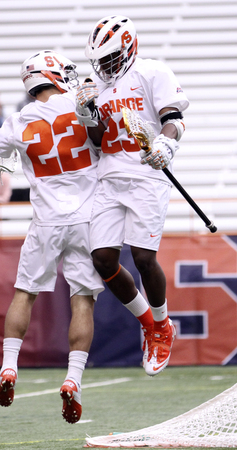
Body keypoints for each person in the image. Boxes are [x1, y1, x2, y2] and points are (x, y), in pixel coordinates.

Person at [0, 50, 105, 424]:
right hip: (87, 219)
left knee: (25, 293)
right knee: (83, 299)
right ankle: (73, 378)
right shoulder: (79, 102)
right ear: (53, 74)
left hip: (46, 221)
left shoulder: (19, 120)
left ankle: (9, 367)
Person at [75, 15, 189, 376]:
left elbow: (174, 117)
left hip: (146, 174)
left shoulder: (152, 71)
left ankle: (162, 323)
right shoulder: (97, 87)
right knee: (103, 259)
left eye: (110, 57)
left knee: (142, 257)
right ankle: (151, 324)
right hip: (109, 175)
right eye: (100, 58)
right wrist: (89, 116)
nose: (104, 65)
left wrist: (166, 142)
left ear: (128, 49)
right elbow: (97, 142)